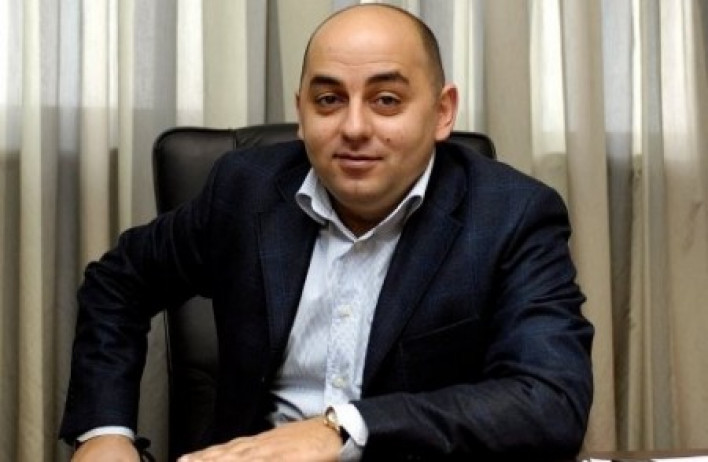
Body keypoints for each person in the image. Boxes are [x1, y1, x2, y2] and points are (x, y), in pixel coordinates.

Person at [60, 4, 593, 461]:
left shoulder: (512, 215)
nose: (354, 128)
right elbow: (119, 281)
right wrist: (103, 431)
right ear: (301, 113)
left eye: (387, 100)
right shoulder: (245, 191)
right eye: (329, 100)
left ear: (442, 112)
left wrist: (343, 428)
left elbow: (550, 399)